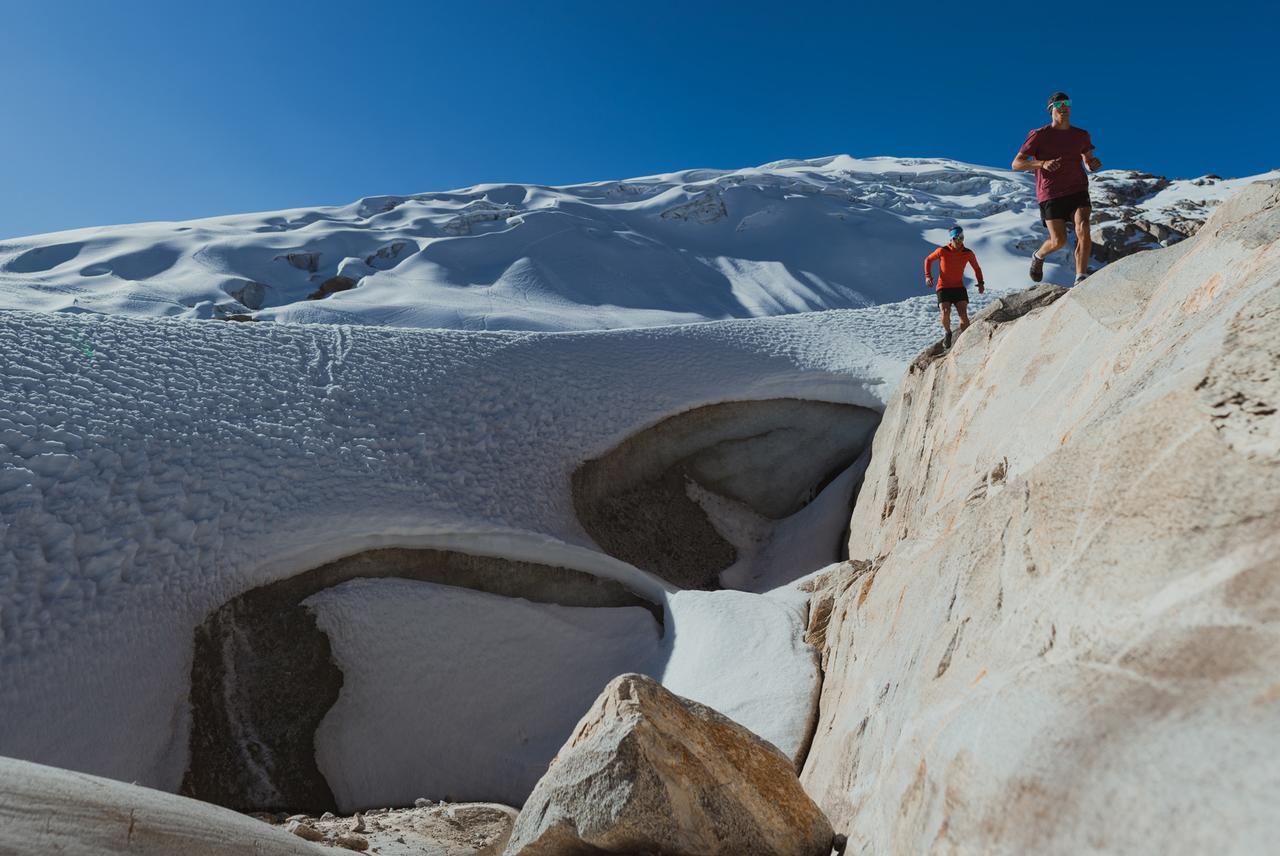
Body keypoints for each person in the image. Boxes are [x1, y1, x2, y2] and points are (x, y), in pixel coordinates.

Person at [1012, 91, 1102, 285]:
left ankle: (1080, 277)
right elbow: (1016, 164)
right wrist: (1041, 164)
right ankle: (1039, 255)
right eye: (1059, 105)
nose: (1064, 108)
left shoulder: (1081, 135)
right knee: (1059, 241)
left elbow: (1087, 160)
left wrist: (1091, 164)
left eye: (1067, 104)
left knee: (1084, 228)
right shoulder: (1038, 135)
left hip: (1077, 188)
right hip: (1050, 192)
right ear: (1050, 109)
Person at [924, 225, 985, 349]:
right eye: (957, 238)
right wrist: (928, 276)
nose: (960, 241)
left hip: (958, 287)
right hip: (943, 287)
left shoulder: (968, 253)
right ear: (951, 239)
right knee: (945, 312)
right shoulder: (942, 251)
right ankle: (948, 333)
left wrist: (981, 283)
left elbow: (976, 268)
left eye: (962, 238)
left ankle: (966, 341)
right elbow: (928, 260)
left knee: (963, 315)